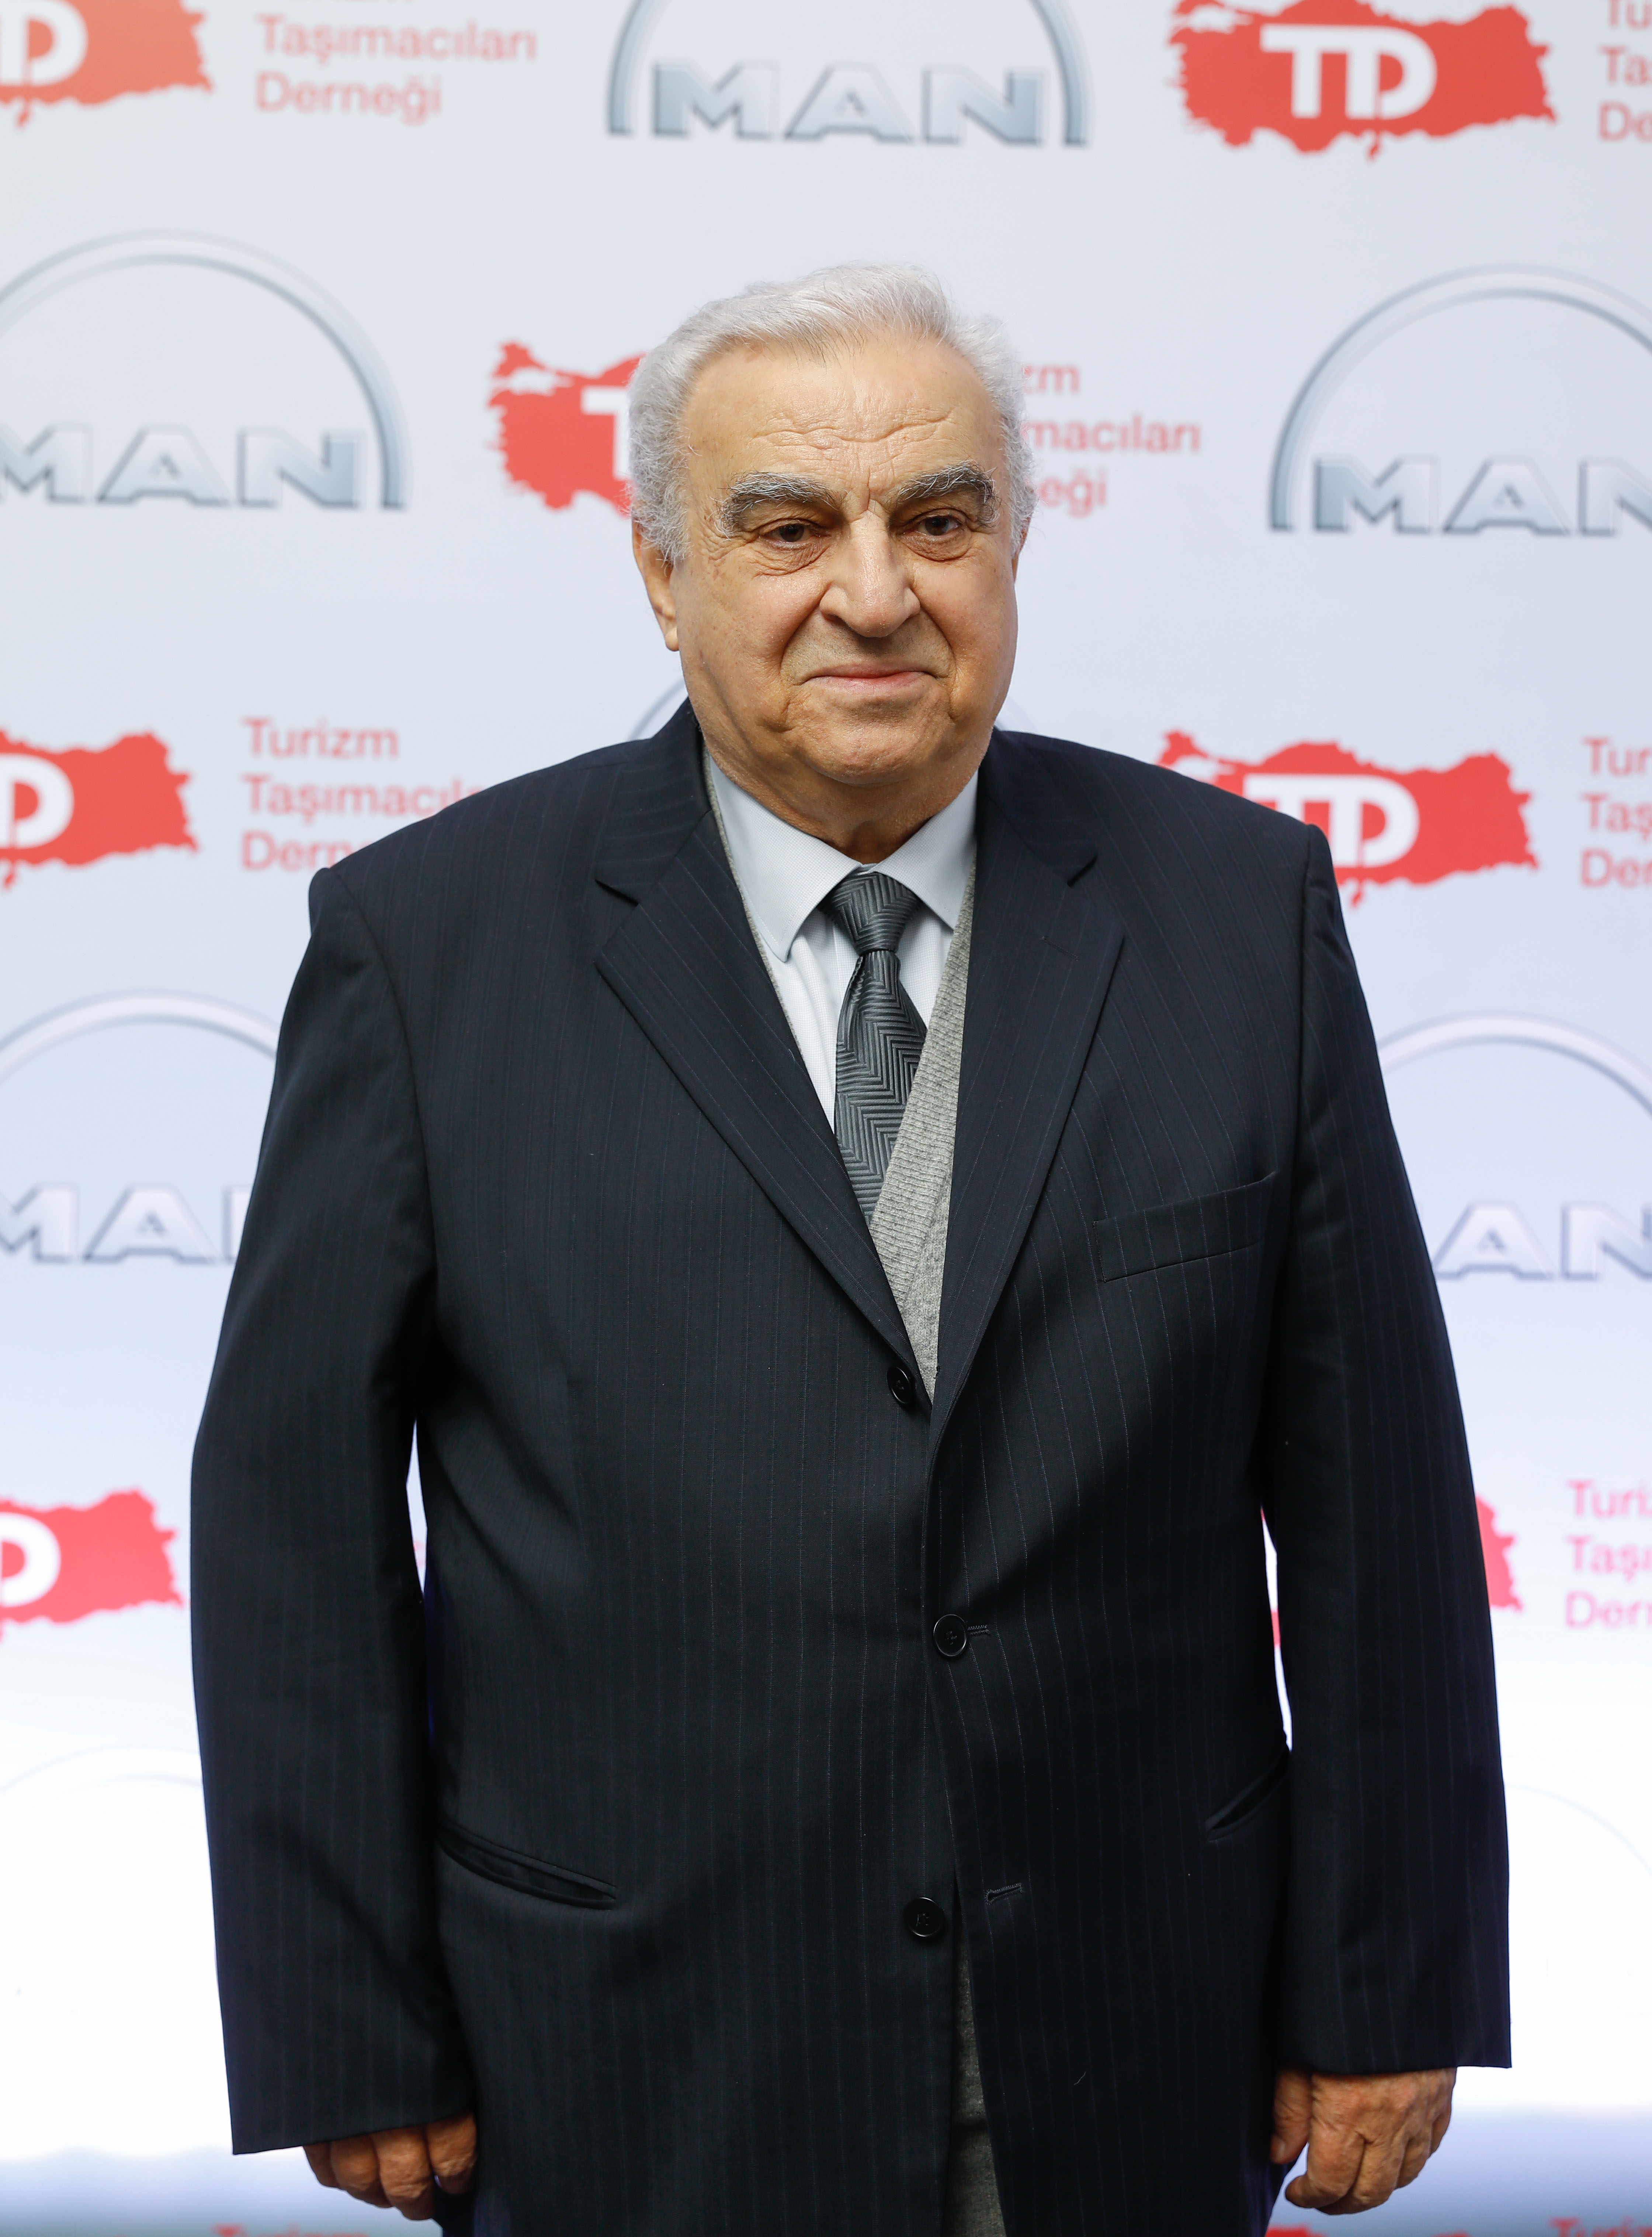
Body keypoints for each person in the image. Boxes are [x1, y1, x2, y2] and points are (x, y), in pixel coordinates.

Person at [191, 266, 1509, 2236]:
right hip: (621, 2059)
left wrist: (1392, 1978)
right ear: (663, 577)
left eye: (939, 521)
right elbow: (291, 1525)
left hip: (1133, 2044)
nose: (875, 593)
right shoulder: (425, 946)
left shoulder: (1245, 915)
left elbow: (1376, 1502)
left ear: (1015, 550)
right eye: (790, 527)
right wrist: (344, 2019)